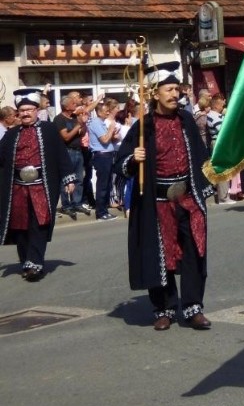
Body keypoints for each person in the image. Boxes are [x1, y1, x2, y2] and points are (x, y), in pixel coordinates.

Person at [115, 62, 215, 331]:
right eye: (169, 89)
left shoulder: (186, 121)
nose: (175, 94)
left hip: (187, 199)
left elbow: (201, 156)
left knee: (194, 252)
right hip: (156, 203)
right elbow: (120, 163)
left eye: (176, 89)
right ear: (154, 94)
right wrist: (133, 159)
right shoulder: (143, 127)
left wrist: (205, 186)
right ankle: (165, 308)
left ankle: (194, 308)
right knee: (160, 256)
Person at [0, 88, 78, 281]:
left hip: (41, 187)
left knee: (39, 223)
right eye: (22, 110)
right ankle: (26, 260)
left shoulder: (49, 130)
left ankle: (35, 263)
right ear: (18, 113)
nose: (26, 113)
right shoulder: (11, 134)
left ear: (36, 111)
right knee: (20, 226)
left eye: (29, 110)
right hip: (17, 189)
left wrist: (69, 178)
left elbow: (61, 154)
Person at [53, 91, 90, 219]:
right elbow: (66, 137)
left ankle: (77, 202)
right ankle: (66, 205)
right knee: (66, 180)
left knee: (79, 179)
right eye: (73, 103)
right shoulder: (59, 119)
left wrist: (83, 123)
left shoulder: (75, 118)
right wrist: (78, 125)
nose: (76, 105)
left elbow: (82, 133)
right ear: (66, 106)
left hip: (78, 151)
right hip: (66, 152)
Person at [86, 98, 120, 221]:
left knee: (107, 183)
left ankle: (104, 209)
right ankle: (101, 212)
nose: (108, 113)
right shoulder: (96, 123)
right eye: (106, 111)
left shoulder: (101, 122)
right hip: (102, 156)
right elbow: (104, 140)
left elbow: (109, 139)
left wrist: (113, 133)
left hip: (107, 155)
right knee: (103, 184)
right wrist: (111, 129)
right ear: (99, 112)